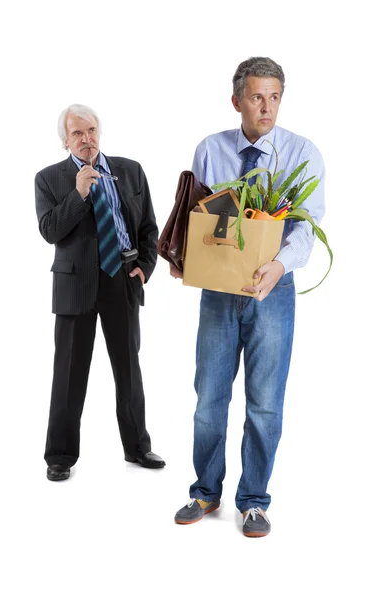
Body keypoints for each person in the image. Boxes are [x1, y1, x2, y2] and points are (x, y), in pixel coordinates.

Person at [174, 57, 325, 536]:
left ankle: (254, 500)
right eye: (257, 97)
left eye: (275, 97)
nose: (267, 107)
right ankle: (205, 491)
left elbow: (305, 227)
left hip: (273, 291)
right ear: (236, 100)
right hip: (219, 293)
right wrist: (186, 259)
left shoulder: (302, 153)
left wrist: (278, 264)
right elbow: (197, 217)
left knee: (265, 403)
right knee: (208, 400)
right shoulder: (210, 149)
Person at [35, 104, 165, 481]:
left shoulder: (130, 170)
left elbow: (149, 227)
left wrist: (146, 267)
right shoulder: (48, 179)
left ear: (99, 132)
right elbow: (50, 231)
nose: (86, 138)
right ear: (65, 141)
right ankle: (59, 456)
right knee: (69, 372)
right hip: (76, 284)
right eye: (77, 133)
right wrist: (78, 194)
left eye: (91, 130)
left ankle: (138, 447)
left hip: (122, 277)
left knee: (128, 368)